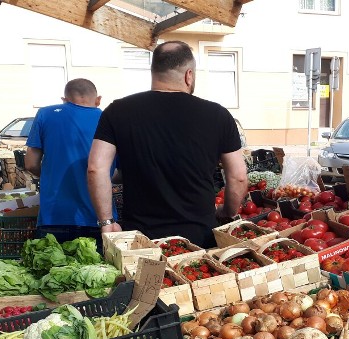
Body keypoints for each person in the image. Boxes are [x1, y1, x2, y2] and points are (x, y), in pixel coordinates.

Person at [87, 41, 248, 248]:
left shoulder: (117, 111)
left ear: (153, 72)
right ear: (189, 75)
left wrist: (107, 222)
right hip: (199, 238)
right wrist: (228, 212)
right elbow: (239, 177)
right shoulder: (218, 115)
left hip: (141, 239)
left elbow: (95, 168)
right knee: (198, 280)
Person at [24, 78, 114, 245]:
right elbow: (116, 172)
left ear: (64, 99)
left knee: (51, 269)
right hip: (99, 218)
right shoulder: (109, 118)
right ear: (98, 100)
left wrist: (53, 175)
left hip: (53, 217)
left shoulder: (45, 114)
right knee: (98, 270)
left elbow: (30, 163)